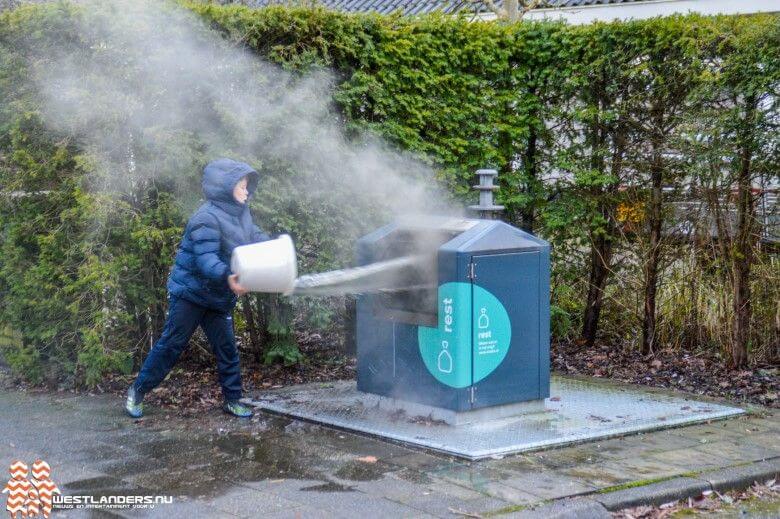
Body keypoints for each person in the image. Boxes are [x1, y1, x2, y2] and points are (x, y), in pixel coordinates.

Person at [125, 158, 271, 418]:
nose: (247, 191)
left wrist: (273, 246)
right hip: (190, 295)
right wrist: (229, 276)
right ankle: (138, 390)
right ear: (226, 187)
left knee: (227, 349)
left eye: (248, 186)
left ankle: (232, 399)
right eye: (242, 185)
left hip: (217, 297)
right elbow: (206, 261)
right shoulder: (205, 218)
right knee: (171, 344)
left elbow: (254, 236)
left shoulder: (241, 214)